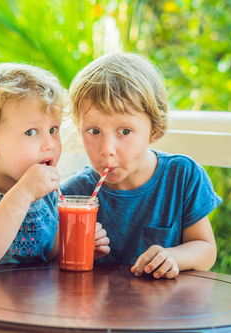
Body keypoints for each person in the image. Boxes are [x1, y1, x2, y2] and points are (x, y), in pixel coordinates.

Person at [0, 63, 109, 274]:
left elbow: (49, 257)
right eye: (31, 132)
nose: (50, 144)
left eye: (53, 129)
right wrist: (23, 193)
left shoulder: (46, 195)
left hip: (29, 306)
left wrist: (80, 247)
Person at [61, 53, 222, 279]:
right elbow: (52, 264)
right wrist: (79, 250)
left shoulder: (182, 177)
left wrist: (174, 256)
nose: (107, 148)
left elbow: (206, 250)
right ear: (79, 129)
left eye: (124, 131)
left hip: (163, 311)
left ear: (154, 129)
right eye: (94, 131)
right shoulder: (73, 196)